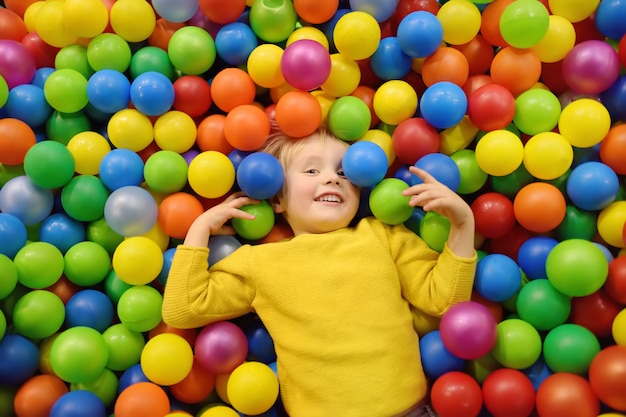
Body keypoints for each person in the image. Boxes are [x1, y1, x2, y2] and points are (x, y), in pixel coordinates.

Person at [162, 127, 477, 417]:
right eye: (312, 170)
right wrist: (199, 228)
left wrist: (463, 225)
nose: (332, 179)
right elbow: (184, 309)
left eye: (344, 171)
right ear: (276, 197)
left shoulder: (382, 236)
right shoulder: (259, 262)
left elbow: (444, 303)